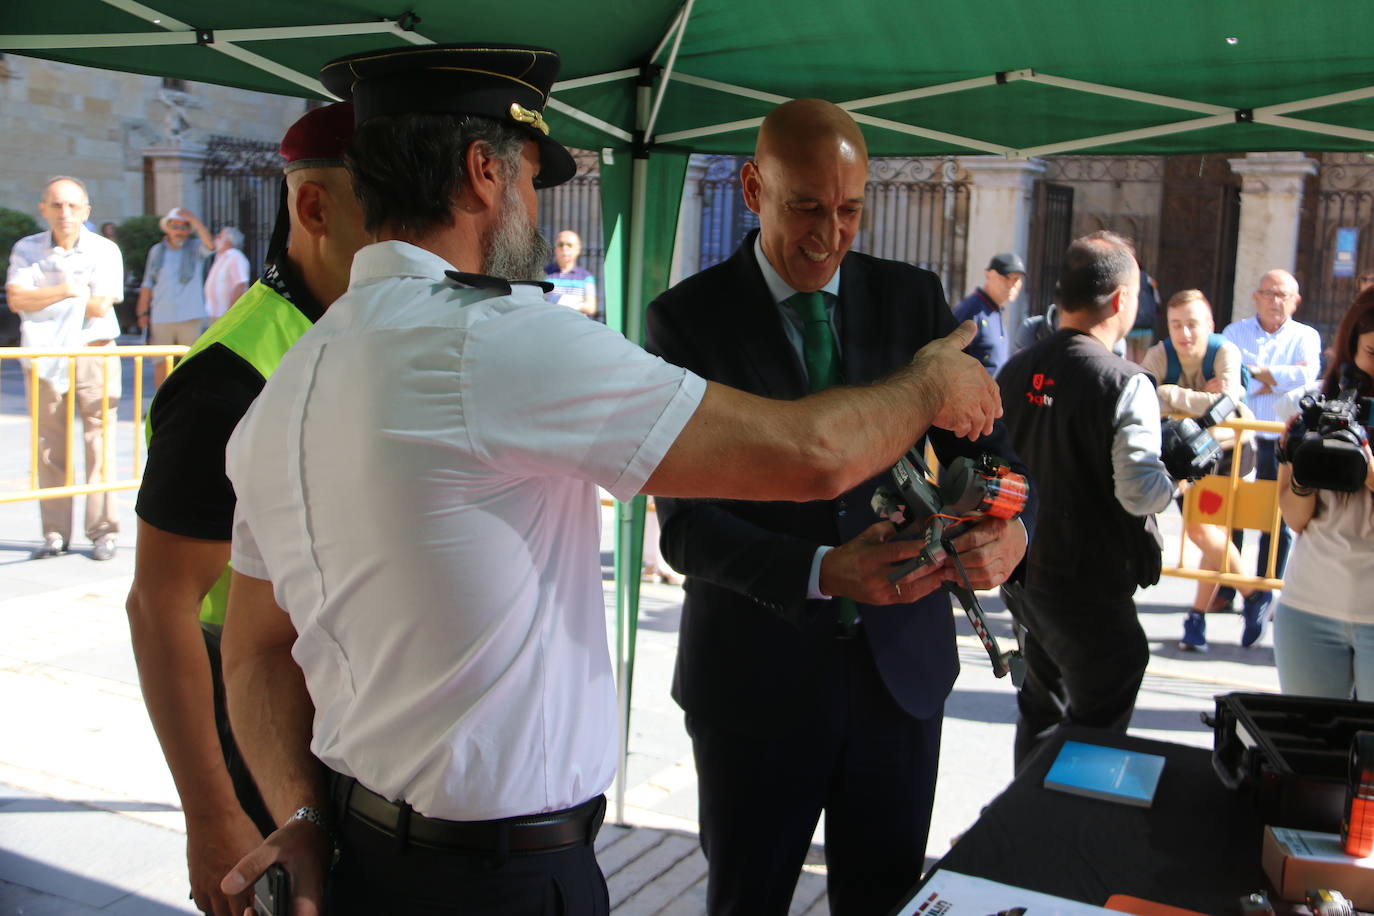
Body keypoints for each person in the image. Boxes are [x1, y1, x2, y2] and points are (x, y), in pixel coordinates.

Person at [215, 47, 1001, 916]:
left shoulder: (289, 380)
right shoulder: (500, 340)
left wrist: (297, 811)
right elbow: (808, 455)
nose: (532, 203)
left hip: (359, 859)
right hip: (501, 878)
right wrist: (930, 385)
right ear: (484, 173)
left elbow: (251, 648)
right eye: (528, 178)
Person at [645, 99, 1032, 916]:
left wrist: (1010, 530)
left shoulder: (912, 301)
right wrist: (824, 570)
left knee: (886, 901)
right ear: (753, 188)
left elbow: (987, 454)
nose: (829, 235)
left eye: (850, 210)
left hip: (899, 681)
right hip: (755, 686)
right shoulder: (686, 322)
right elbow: (686, 528)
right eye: (806, 208)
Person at [123, 102, 364, 916]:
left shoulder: (357, 331)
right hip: (259, 713)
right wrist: (211, 816)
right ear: (315, 209)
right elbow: (160, 605)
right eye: (394, 209)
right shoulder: (233, 374)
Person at [998, 231, 1175, 770]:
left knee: (1040, 705)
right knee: (1098, 712)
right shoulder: (1123, 381)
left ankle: (1021, 831)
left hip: (1025, 575)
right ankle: (1062, 831)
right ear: (1122, 299)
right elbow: (1140, 489)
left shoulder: (1016, 369)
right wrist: (1178, 478)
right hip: (1088, 582)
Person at [6, 176, 124, 562]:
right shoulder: (27, 249)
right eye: (57, 205)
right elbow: (16, 298)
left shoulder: (105, 250)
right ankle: (55, 533)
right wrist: (69, 290)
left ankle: (102, 532)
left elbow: (100, 307)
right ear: (43, 209)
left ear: (87, 211)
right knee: (48, 448)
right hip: (44, 355)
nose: (65, 213)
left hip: (93, 351)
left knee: (99, 444)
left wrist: (44, 299)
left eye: (73, 206)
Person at [1140, 289, 1258, 651]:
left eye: (1192, 324)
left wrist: (1171, 395)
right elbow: (1143, 395)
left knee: (1203, 531)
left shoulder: (1224, 351)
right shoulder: (1159, 354)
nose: (1184, 333)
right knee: (1207, 534)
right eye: (1176, 325)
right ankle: (1247, 598)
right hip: (1182, 454)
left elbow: (1228, 403)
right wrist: (1196, 399)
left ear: (1209, 324)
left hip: (1227, 450)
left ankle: (1202, 617)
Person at [1272, 289, 1374, 698]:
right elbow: (1295, 518)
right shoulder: (1314, 406)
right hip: (1308, 608)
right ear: (1351, 345)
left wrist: (1364, 466)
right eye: (1372, 351)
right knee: (1308, 749)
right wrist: (1301, 463)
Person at [1219, 270, 1322, 638]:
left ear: (1295, 301)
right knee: (1234, 514)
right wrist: (1276, 377)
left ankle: (1265, 586)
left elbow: (1307, 377)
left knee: (1275, 518)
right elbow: (1232, 379)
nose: (1275, 300)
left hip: (1279, 440)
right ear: (1256, 296)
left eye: (1283, 294)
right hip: (1241, 437)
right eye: (1269, 293)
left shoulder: (1306, 336)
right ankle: (1228, 586)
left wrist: (1255, 376)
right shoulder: (1235, 332)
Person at [137, 205, 213, 384]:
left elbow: (210, 245)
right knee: (161, 362)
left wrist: (194, 220)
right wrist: (142, 313)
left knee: (191, 363)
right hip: (161, 315)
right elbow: (148, 282)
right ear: (168, 228)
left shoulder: (196, 248)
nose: (179, 231)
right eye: (175, 226)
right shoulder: (157, 251)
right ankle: (159, 407)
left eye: (184, 226)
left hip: (190, 314)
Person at [952, 252, 1025, 377]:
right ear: (988, 275)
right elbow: (948, 357)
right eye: (1006, 277)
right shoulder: (972, 310)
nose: (1011, 284)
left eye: (1016, 279)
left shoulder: (995, 311)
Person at [545, 228, 598, 318]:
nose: (564, 248)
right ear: (555, 248)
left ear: (578, 249)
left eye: (569, 245)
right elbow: (538, 301)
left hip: (577, 327)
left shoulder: (586, 277)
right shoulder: (544, 274)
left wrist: (561, 302)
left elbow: (591, 307)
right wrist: (576, 303)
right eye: (560, 244)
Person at [203, 225, 251, 323]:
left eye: (219, 236)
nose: (216, 238)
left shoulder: (235, 257)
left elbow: (241, 284)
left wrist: (231, 312)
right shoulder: (221, 257)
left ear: (228, 240)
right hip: (214, 314)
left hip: (226, 315)